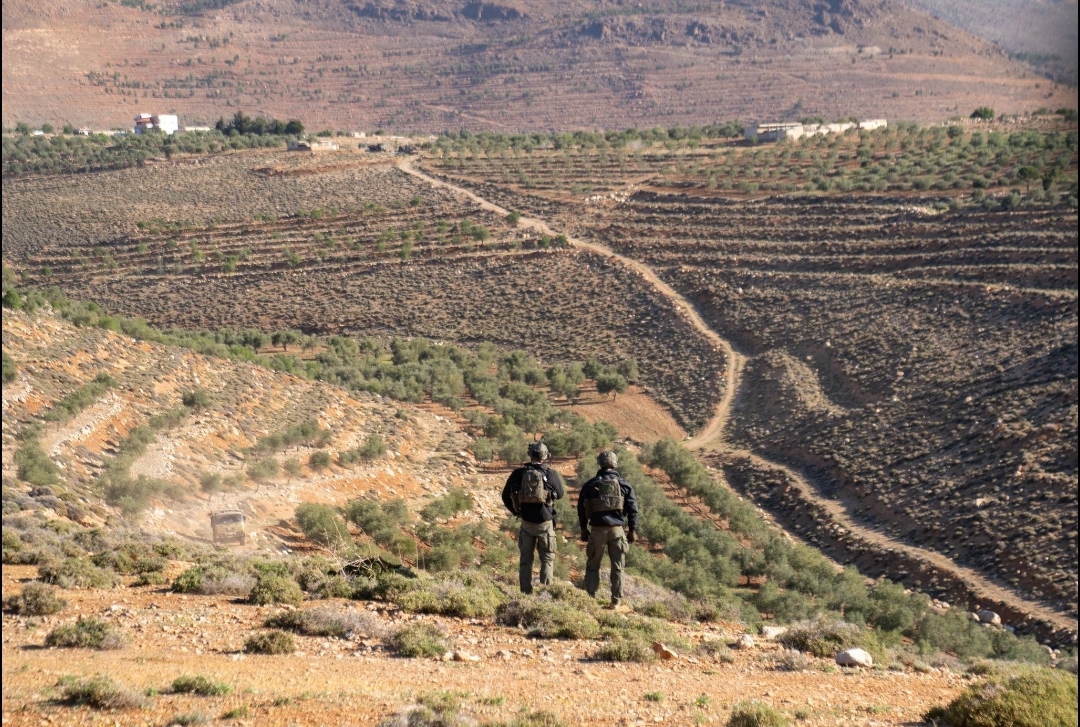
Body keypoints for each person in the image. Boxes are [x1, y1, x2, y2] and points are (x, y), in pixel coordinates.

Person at [577, 450, 638, 607]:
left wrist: (583, 529)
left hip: (597, 530)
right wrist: (632, 530)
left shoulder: (590, 485)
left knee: (592, 566)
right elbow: (632, 509)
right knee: (618, 567)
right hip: (617, 530)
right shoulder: (624, 485)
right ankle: (615, 602)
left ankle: (590, 600)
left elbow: (581, 508)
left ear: (600, 464)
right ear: (615, 463)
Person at [502, 442, 565, 594]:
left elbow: (505, 496)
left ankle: (525, 593)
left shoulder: (519, 474)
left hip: (527, 523)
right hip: (545, 523)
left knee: (525, 561)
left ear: (530, 454)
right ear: (545, 456)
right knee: (547, 559)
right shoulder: (551, 474)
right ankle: (545, 594)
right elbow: (561, 494)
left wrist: (516, 512)